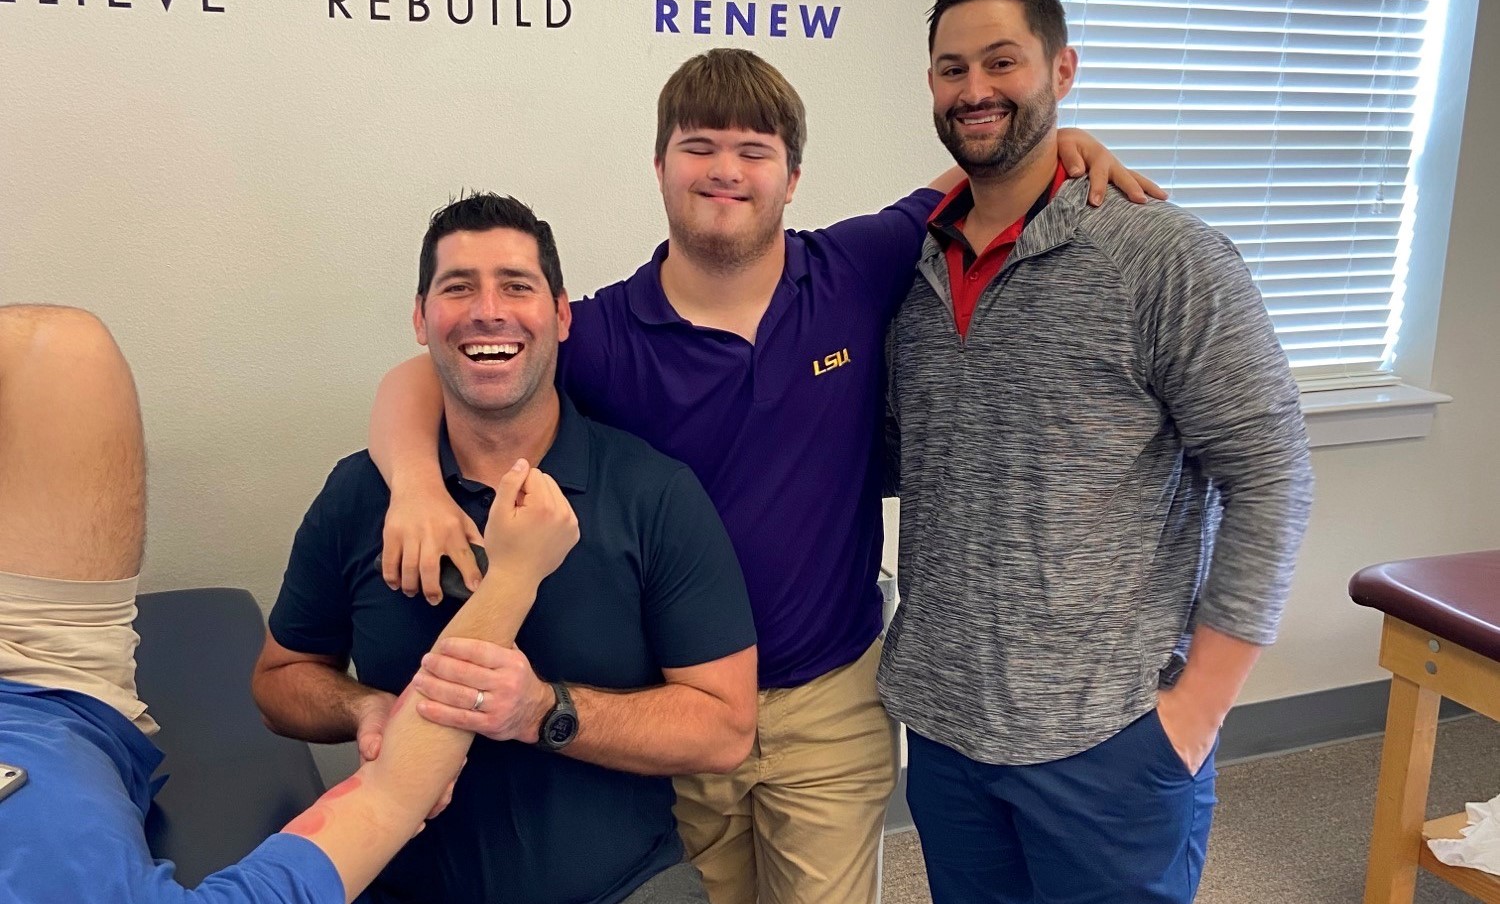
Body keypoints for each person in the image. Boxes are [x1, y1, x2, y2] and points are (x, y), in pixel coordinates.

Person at [367, 49, 1163, 904]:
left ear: (791, 177)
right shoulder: (600, 334)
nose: (725, 171)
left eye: (754, 150)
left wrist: (1060, 143)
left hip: (830, 702)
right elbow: (422, 373)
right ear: (661, 166)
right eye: (699, 146)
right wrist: (415, 485)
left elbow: (973, 179)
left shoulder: (853, 268)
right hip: (676, 709)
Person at [879, 0, 1316, 904]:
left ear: (1062, 69)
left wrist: (1194, 713)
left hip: (1110, 741)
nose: (976, 89)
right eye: (953, 69)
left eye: (1004, 62)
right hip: (949, 733)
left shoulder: (1161, 257)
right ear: (930, 86)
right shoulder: (905, 267)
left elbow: (1273, 473)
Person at [252, 193, 757, 904]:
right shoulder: (362, 493)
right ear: (421, 319)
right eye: (458, 287)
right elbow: (279, 678)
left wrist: (542, 711)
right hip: (400, 888)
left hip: (622, 888)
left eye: (516, 286)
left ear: (560, 315)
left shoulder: (653, 494)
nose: (488, 310)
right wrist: (362, 707)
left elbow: (726, 728)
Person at [0, 303, 579, 904]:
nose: (490, 312)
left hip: (28, 674)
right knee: (63, 348)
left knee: (57, 350)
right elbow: (389, 795)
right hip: (43, 679)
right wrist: (511, 577)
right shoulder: (357, 493)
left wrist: (443, 513)